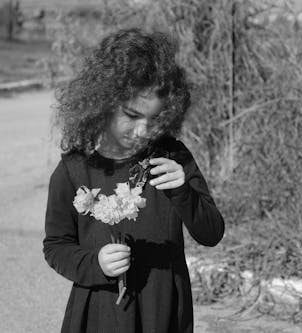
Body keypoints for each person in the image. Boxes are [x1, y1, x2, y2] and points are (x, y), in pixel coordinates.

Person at [43, 28, 225, 333]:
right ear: (102, 102)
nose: (142, 131)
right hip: (100, 313)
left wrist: (184, 193)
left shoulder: (171, 158)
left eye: (154, 120)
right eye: (131, 115)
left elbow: (211, 233)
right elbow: (56, 246)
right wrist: (95, 264)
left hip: (163, 310)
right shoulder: (73, 169)